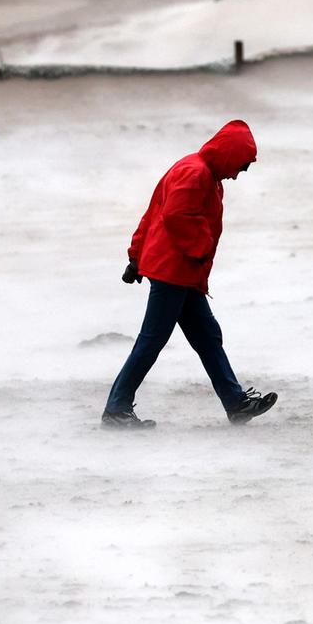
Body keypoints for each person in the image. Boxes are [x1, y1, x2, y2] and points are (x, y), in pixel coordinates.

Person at [102, 119, 278, 429]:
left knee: (208, 337)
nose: (238, 175)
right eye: (241, 166)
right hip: (173, 271)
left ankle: (235, 402)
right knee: (152, 340)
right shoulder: (194, 172)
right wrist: (200, 248)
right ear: (228, 155)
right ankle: (116, 408)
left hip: (183, 272)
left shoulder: (202, 173)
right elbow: (174, 215)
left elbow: (154, 210)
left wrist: (136, 256)